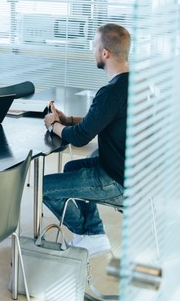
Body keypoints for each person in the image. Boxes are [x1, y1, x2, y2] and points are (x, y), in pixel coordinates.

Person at [43, 23, 130, 257]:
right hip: (133, 174)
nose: (92, 50)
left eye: (94, 45)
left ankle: (88, 235)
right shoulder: (133, 85)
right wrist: (67, 119)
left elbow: (80, 138)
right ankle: (93, 232)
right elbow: (104, 119)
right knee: (72, 166)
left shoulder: (111, 92)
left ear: (105, 53)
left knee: (44, 188)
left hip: (117, 181)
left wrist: (54, 124)